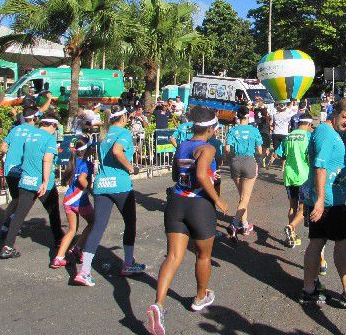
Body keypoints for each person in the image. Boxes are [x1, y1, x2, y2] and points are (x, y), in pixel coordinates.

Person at [147, 106, 228, 335]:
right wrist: (218, 200)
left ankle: (159, 304)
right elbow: (202, 175)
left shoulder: (182, 145)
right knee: (203, 255)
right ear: (211, 129)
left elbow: (176, 175)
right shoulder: (207, 148)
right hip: (199, 206)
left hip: (176, 203)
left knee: (173, 256)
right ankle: (200, 297)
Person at [299, 99, 346, 311]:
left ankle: (308, 290)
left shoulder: (331, 133)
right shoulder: (326, 133)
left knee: (318, 240)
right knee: (343, 241)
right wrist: (321, 201)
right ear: (335, 113)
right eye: (345, 117)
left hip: (329, 198)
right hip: (330, 202)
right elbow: (320, 167)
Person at [74, 105, 145, 286]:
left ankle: (84, 271)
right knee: (130, 223)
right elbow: (117, 151)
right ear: (125, 117)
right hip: (120, 185)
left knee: (98, 227)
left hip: (102, 185)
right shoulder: (123, 133)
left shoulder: (105, 135)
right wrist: (131, 167)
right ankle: (128, 263)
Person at [0, 111, 64, 260]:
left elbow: (15, 152)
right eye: (56, 127)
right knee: (53, 212)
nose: (56, 130)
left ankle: (7, 246)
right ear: (52, 124)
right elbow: (47, 159)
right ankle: (59, 240)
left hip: (26, 180)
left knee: (19, 215)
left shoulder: (29, 136)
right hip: (42, 182)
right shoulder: (49, 138)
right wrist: (46, 182)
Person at [51, 138, 96, 268]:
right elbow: (82, 179)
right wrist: (91, 190)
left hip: (68, 199)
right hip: (79, 200)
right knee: (93, 222)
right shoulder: (87, 164)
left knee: (72, 230)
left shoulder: (73, 162)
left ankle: (59, 257)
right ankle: (78, 248)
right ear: (87, 150)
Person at [0, 106, 39, 245]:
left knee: (15, 199)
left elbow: (2, 148)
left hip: (10, 169)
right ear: (35, 118)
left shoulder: (15, 129)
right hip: (24, 170)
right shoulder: (35, 132)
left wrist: (12, 155)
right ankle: (9, 226)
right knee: (24, 200)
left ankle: (5, 225)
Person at [273, 114, 313, 247]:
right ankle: (290, 228)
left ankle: (292, 237)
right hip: (304, 177)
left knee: (292, 207)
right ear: (308, 124)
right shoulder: (309, 137)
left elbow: (277, 154)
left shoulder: (288, 136)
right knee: (303, 208)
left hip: (289, 176)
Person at [225, 106, 263, 238]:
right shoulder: (254, 130)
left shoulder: (232, 130)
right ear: (248, 116)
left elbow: (227, 149)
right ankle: (234, 224)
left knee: (242, 197)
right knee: (245, 198)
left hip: (235, 162)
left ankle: (245, 225)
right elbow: (259, 151)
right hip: (249, 161)